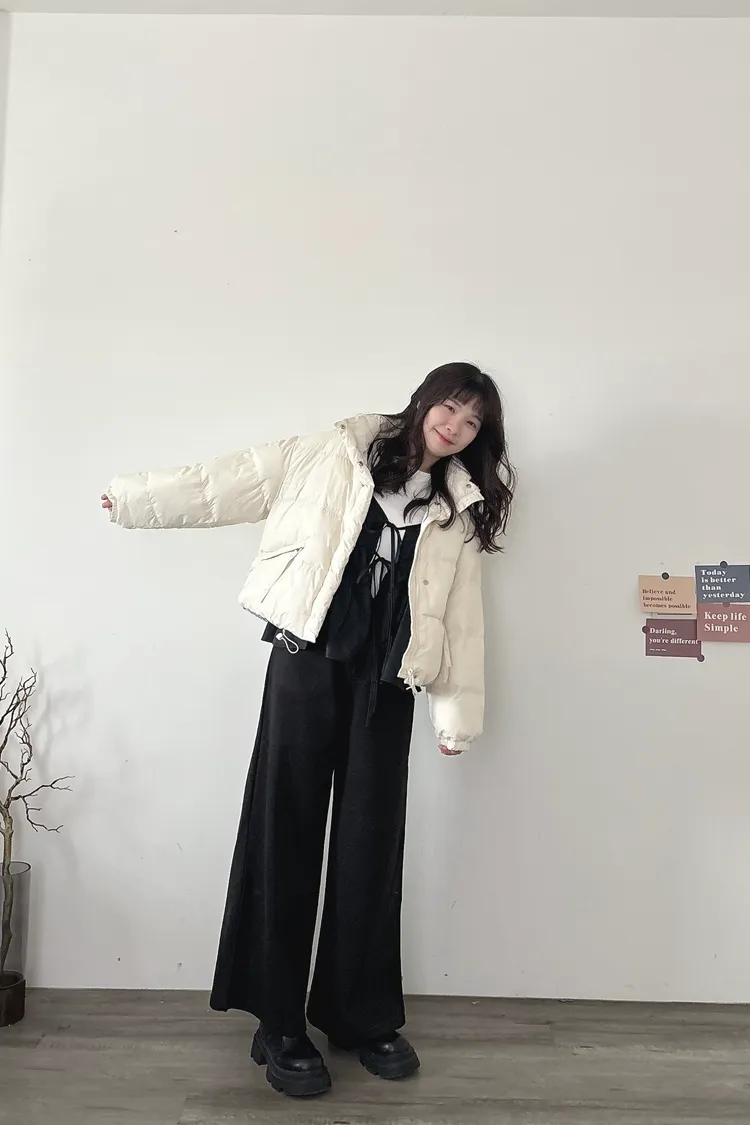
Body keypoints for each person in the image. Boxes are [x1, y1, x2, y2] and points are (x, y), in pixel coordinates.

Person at [102, 361, 514, 1099]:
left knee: (370, 846)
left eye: (472, 421)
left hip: (388, 682)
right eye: (449, 406)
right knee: (283, 828)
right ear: (424, 400)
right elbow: (227, 482)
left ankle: (359, 1015)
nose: (454, 425)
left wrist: (457, 717)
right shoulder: (336, 451)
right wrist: (135, 498)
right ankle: (278, 1021)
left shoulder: (456, 507)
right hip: (306, 661)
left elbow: (461, 619)